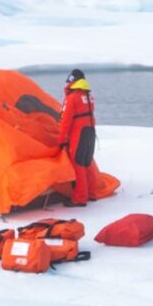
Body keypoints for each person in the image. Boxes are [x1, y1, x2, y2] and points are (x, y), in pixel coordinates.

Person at [58, 68, 101, 207]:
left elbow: (65, 121)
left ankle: (80, 198)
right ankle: (92, 193)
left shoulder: (72, 98)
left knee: (78, 164)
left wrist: (62, 140)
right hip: (90, 132)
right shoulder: (88, 96)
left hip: (78, 133)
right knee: (87, 162)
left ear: (72, 80)